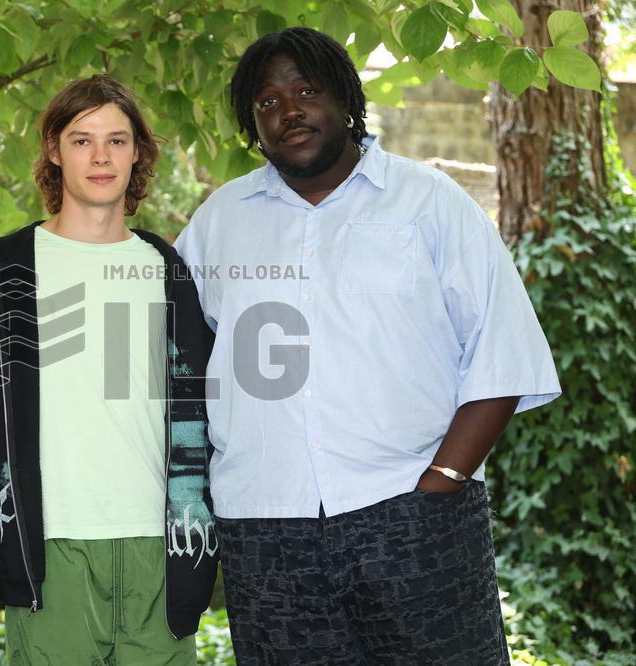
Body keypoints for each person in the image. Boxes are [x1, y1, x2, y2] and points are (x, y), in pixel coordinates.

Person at [174, 27, 562, 665]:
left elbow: (503, 351)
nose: (288, 110)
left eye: (306, 90)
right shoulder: (220, 221)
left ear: (345, 99)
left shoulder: (429, 201)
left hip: (415, 516)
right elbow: (177, 360)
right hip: (267, 532)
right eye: (267, 102)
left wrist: (442, 486)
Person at [0, 74, 217, 665]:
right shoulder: (0, 270)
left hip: (164, 544)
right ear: (53, 150)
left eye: (117, 141)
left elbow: (199, 409)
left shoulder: (167, 267)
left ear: (138, 153)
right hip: (48, 549)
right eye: (82, 141)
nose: (101, 157)